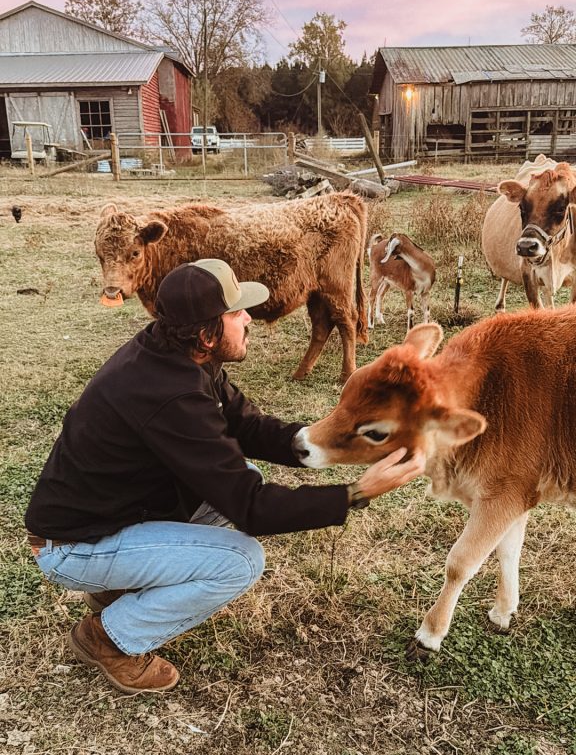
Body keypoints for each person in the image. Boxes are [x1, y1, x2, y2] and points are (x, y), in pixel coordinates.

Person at [25, 259, 425, 695]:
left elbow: (246, 425)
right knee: (241, 562)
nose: (249, 318)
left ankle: (115, 588)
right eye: (237, 312)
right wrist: (356, 493)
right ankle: (109, 638)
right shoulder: (170, 396)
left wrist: (325, 444)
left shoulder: (179, 355)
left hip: (115, 514)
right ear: (207, 334)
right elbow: (252, 509)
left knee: (241, 473)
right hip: (74, 547)